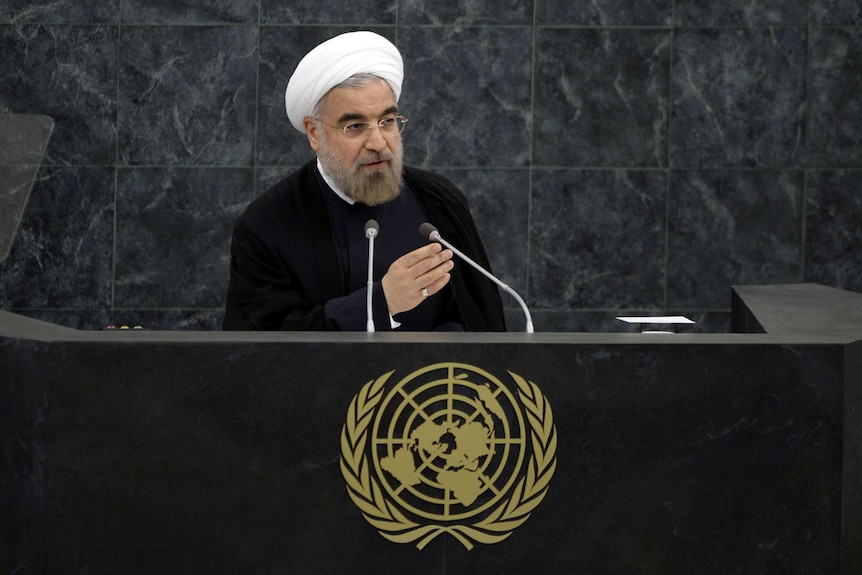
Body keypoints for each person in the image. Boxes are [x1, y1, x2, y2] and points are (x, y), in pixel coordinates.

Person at [223, 31, 506, 332]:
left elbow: (479, 323)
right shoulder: (267, 225)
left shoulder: (438, 201)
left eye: (387, 122)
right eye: (355, 126)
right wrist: (381, 304)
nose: (378, 142)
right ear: (314, 133)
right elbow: (263, 351)